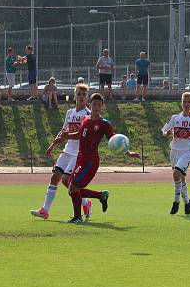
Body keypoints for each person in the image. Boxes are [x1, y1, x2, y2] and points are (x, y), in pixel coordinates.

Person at [60, 93, 140, 223]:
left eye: (99, 104)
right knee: (72, 188)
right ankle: (101, 196)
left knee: (73, 188)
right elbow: (80, 135)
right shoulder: (85, 119)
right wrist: (67, 135)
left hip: (91, 161)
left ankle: (78, 217)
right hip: (80, 159)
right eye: (94, 104)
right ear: (89, 105)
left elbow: (115, 140)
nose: (96, 106)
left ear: (102, 106)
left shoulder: (104, 124)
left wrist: (128, 152)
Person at [31, 84, 93, 220]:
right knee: (55, 178)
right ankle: (45, 210)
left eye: (84, 94)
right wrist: (52, 146)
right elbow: (63, 131)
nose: (81, 96)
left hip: (78, 153)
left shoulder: (87, 115)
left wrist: (66, 136)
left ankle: (85, 203)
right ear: (74, 96)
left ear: (87, 97)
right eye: (79, 94)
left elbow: (82, 135)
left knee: (67, 181)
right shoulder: (70, 113)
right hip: (67, 150)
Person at [161, 92, 190, 215]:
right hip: (174, 151)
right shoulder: (175, 118)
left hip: (187, 152)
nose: (186, 104)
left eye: (189, 102)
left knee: (176, 173)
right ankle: (187, 201)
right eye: (184, 102)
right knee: (181, 178)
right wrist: (167, 133)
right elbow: (164, 130)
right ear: (181, 103)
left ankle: (176, 202)